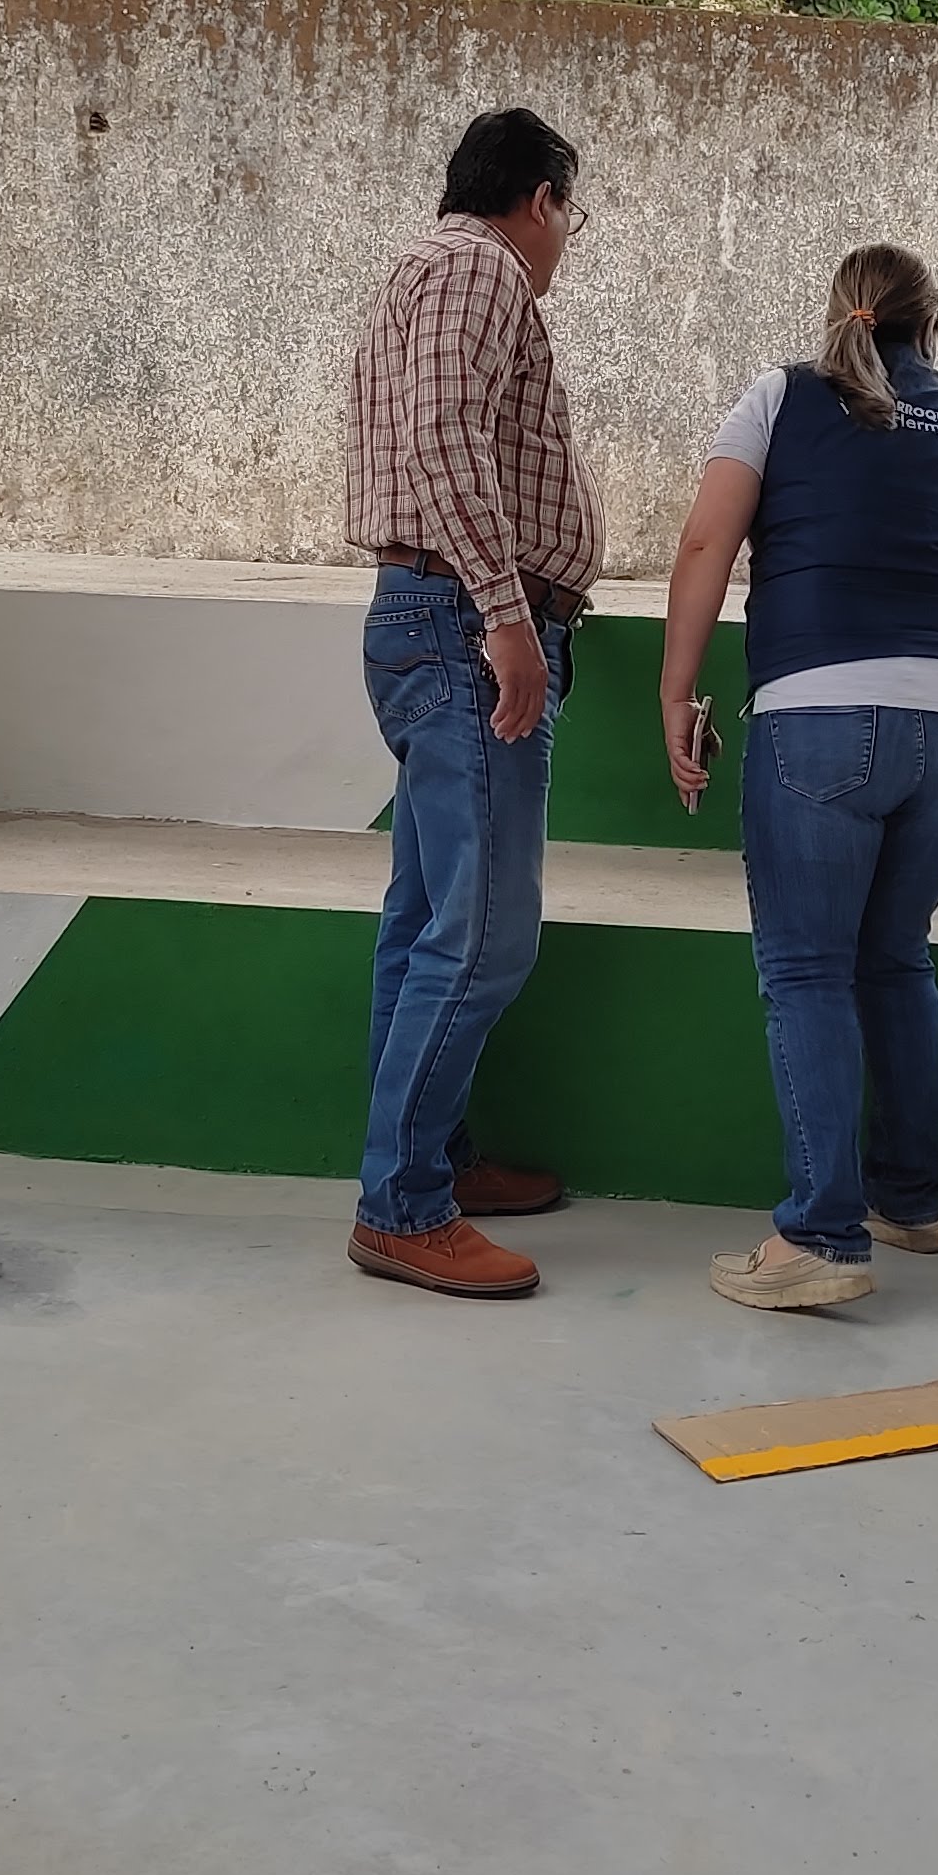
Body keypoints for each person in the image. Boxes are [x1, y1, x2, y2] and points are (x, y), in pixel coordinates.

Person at [658, 245, 938, 1311]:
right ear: (931, 326)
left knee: (807, 972)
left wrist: (675, 693)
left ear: (839, 314)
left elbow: (705, 543)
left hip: (820, 712)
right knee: (895, 958)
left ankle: (819, 1237)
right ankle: (908, 1202)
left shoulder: (779, 398)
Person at [338, 109, 601, 1300]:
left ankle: (430, 1162)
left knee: (427, 922)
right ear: (540, 200)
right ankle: (402, 1205)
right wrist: (506, 616)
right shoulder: (480, 267)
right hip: (461, 627)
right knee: (486, 935)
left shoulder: (427, 271)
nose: (566, 239)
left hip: (433, 620)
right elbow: (447, 441)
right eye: (570, 214)